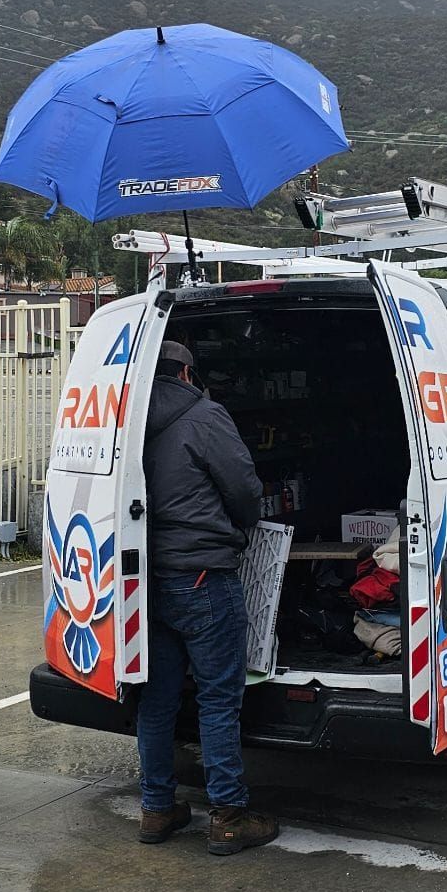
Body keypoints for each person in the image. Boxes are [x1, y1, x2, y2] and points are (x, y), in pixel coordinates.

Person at [136, 339, 279, 856]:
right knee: (219, 698)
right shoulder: (205, 415)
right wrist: (242, 530)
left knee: (157, 700)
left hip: (141, 581)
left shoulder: (122, 417)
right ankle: (229, 815)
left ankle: (157, 808)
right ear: (189, 374)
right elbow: (243, 489)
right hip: (201, 577)